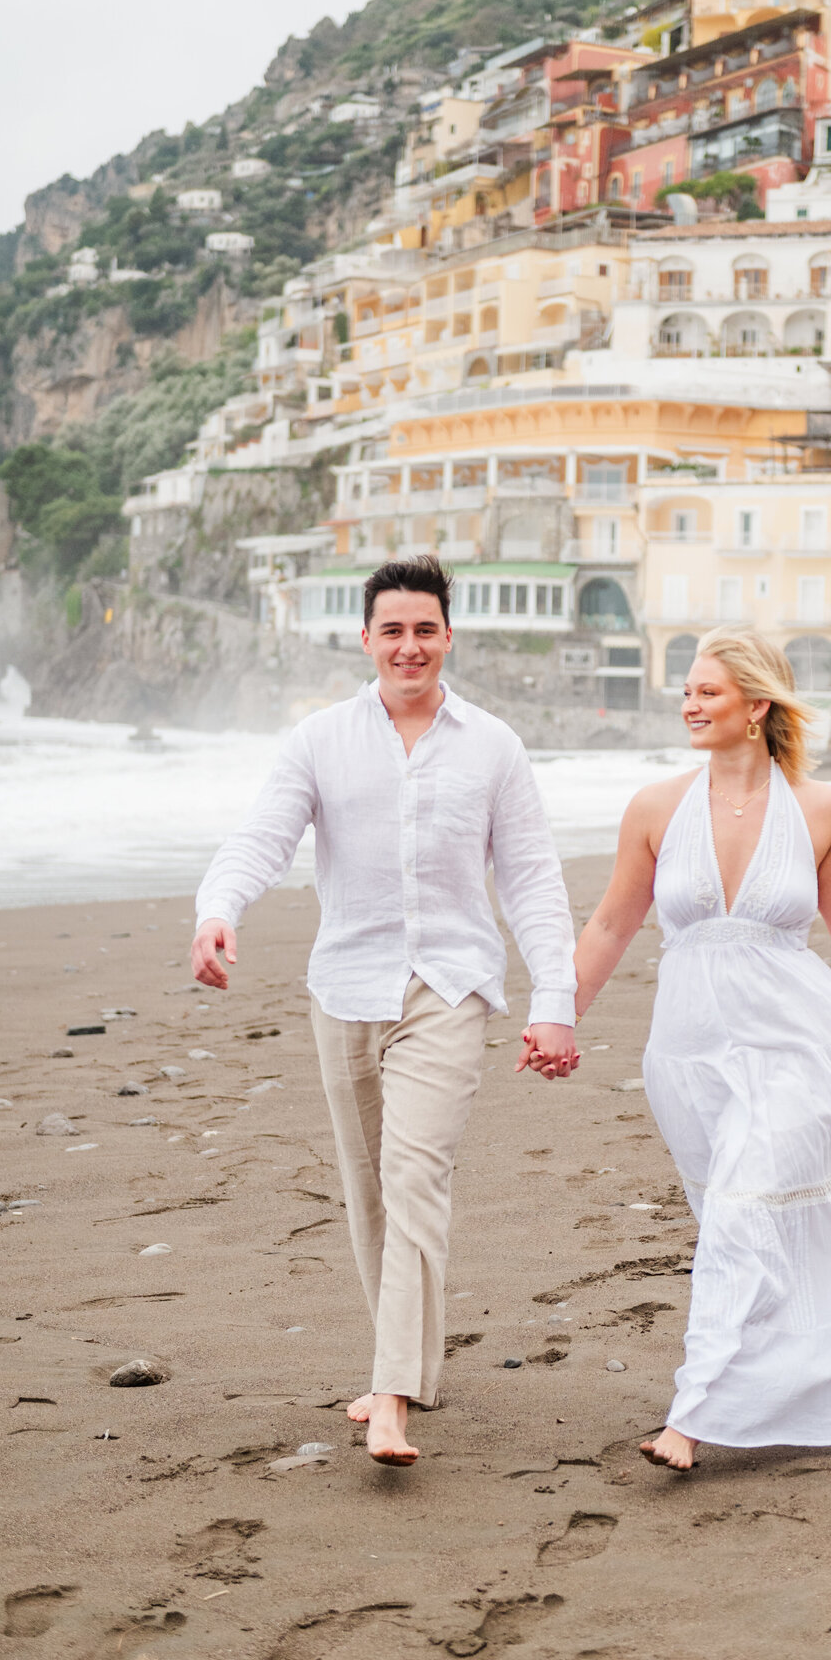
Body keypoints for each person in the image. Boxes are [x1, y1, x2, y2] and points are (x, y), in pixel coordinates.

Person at [565, 628, 831, 1472]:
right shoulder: (654, 807)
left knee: (739, 1215)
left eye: (707, 692)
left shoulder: (821, 809)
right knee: (740, 1217)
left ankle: (695, 1412)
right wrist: (556, 1015)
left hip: (795, 1042)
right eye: (686, 690)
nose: (688, 703)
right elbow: (612, 923)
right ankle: (814, 1370)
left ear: (757, 706)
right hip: (688, 1056)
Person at [192, 556, 577, 1467]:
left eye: (426, 629)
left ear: (450, 637)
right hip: (346, 989)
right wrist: (218, 911)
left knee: (414, 1178)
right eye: (393, 631)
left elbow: (531, 880)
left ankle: (392, 1394)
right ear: (366, 640)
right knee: (370, 1192)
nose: (410, 646)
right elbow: (264, 836)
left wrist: (553, 1000)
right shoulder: (319, 739)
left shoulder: (493, 745)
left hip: (447, 989)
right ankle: (416, 1366)